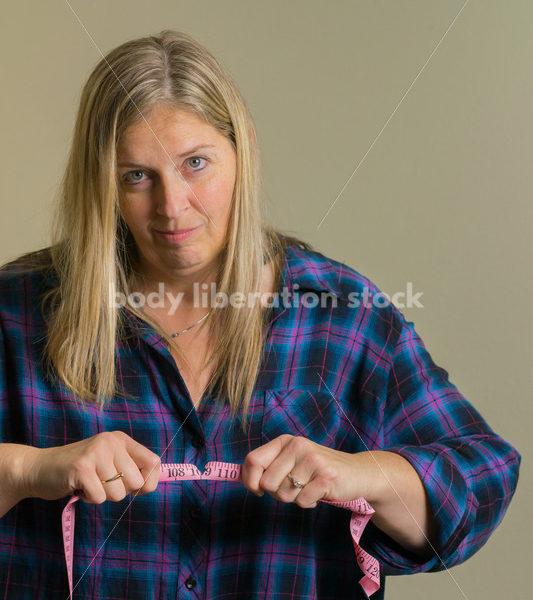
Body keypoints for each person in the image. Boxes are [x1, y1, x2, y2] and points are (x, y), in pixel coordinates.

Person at [0, 29, 520, 600]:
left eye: (196, 163)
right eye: (136, 176)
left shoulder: (340, 317)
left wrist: (360, 474)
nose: (172, 206)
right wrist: (29, 471)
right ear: (102, 182)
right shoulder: (17, 311)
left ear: (241, 148)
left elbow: (483, 478)